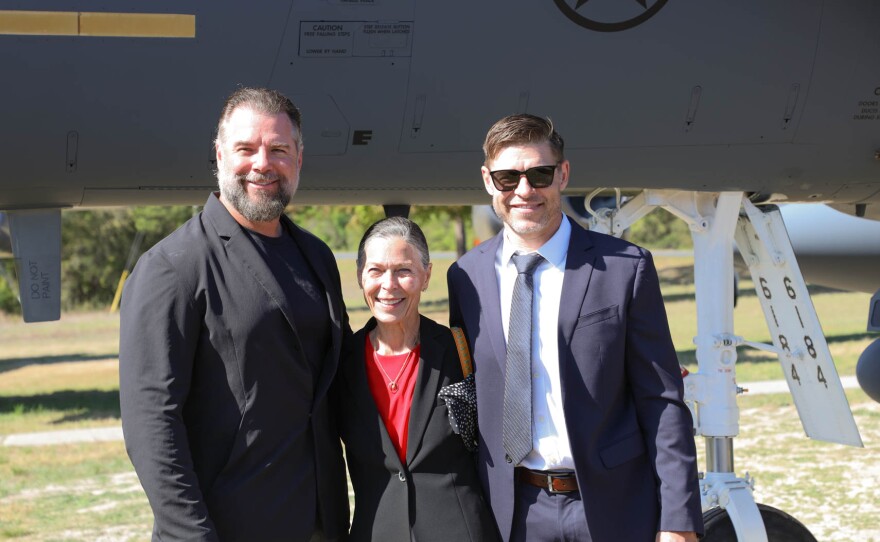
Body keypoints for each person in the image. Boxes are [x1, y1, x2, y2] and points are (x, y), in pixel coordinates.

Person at [447, 114, 703, 542]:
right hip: (514, 513)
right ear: (489, 182)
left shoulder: (625, 267)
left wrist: (677, 520)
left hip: (612, 506)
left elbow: (661, 400)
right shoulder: (465, 277)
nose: (524, 191)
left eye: (539, 174)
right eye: (508, 178)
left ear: (563, 174)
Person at [119, 87, 350, 541]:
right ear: (220, 155)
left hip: (321, 523)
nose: (262, 163)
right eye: (246, 148)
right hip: (230, 527)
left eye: (279, 149)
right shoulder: (172, 267)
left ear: (299, 159)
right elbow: (151, 421)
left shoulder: (317, 257)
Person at [336, 217, 498, 541]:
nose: (389, 284)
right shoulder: (341, 362)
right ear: (359, 276)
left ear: (426, 277)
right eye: (376, 270)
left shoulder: (463, 350)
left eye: (403, 271)